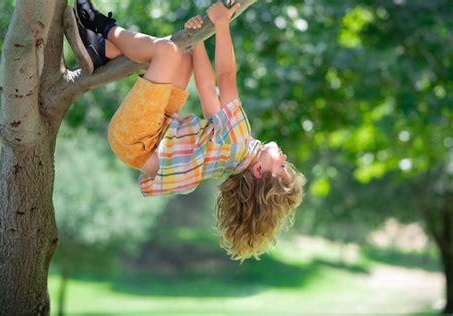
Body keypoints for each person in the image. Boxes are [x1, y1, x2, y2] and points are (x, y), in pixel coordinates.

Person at [68, 0, 306, 261]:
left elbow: (226, 77)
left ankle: (99, 23)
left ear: (259, 171)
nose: (285, 158)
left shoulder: (238, 143)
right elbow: (207, 89)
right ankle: (101, 51)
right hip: (152, 133)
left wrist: (222, 24)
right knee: (181, 58)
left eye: (282, 167)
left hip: (136, 138)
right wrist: (198, 41)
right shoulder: (231, 158)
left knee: (167, 52)